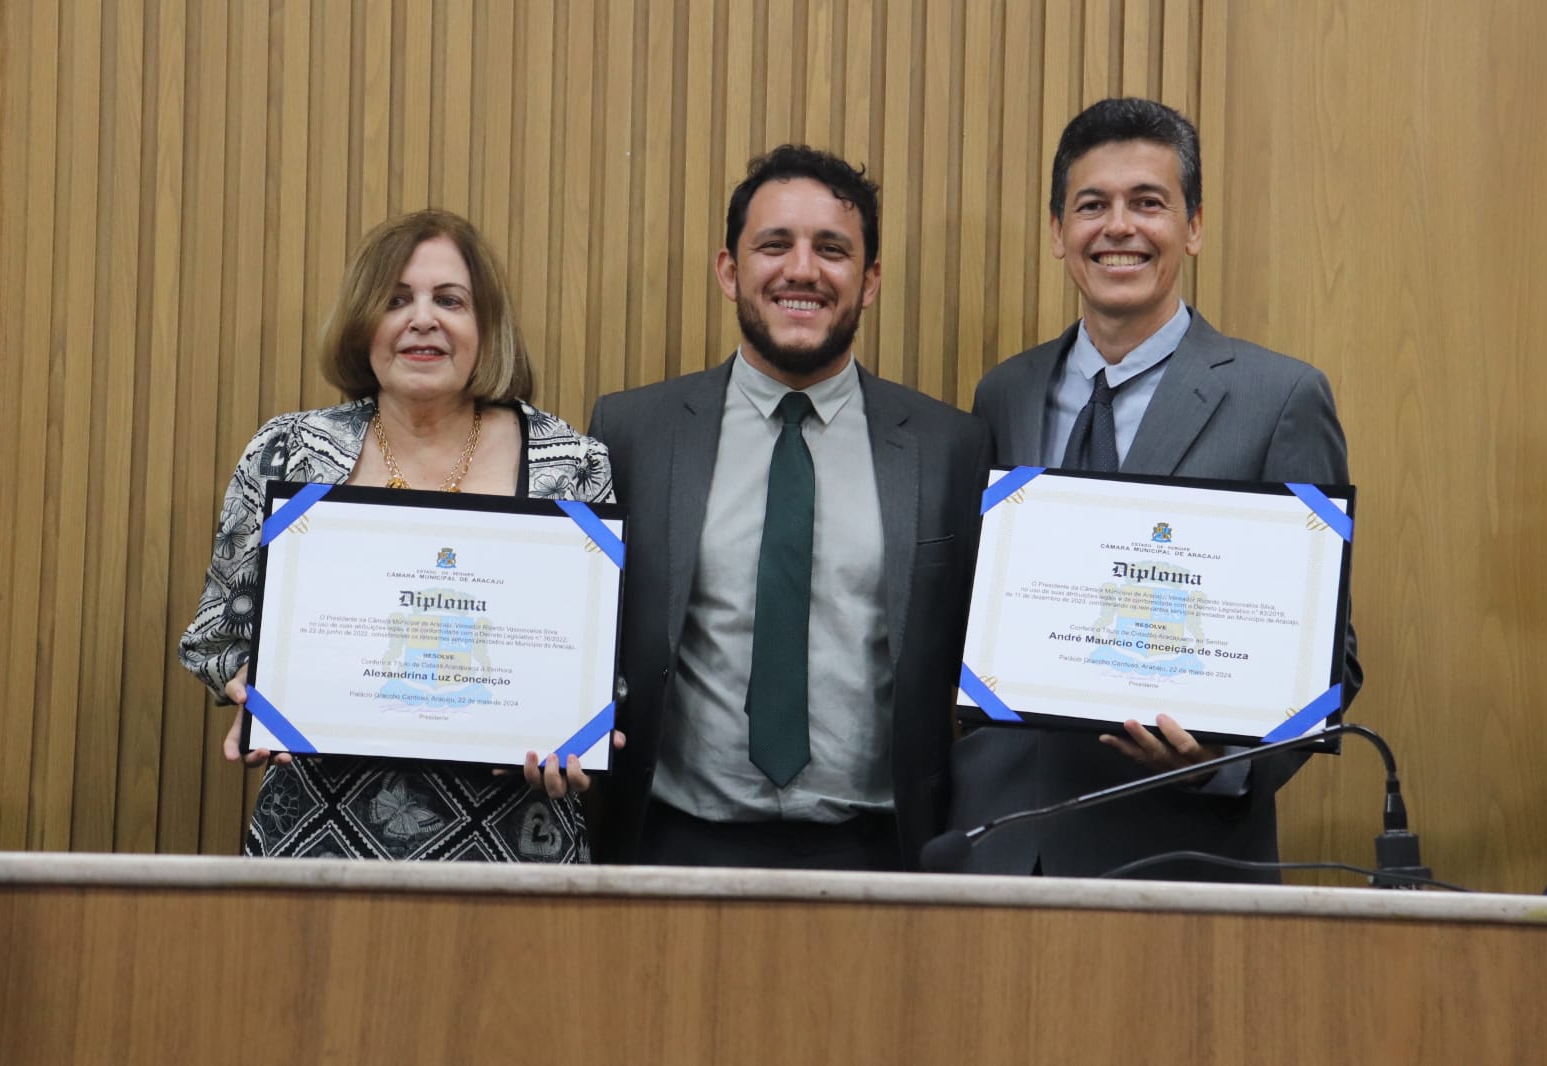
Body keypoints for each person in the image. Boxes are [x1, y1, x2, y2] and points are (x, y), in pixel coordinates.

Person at [950, 98, 1361, 882]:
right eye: (1092, 205)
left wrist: (1224, 759)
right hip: (1002, 846)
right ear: (1058, 232)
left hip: (1179, 843)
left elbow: (1330, 652)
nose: (1119, 228)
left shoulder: (1281, 397)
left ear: (1194, 226)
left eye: (1149, 203)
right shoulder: (1004, 392)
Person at [588, 145, 991, 871]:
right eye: (774, 245)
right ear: (728, 269)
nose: (801, 270)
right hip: (673, 845)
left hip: (882, 852)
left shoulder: (949, 447)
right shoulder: (634, 435)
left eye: (831, 250)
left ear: (868, 282)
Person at [180, 209, 616, 861]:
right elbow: (216, 635)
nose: (423, 319)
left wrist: (582, 729)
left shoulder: (572, 463)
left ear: (484, 327)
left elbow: (601, 664)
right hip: (315, 842)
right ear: (365, 323)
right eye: (395, 300)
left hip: (513, 846)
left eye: (450, 300)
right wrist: (258, 687)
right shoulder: (290, 453)